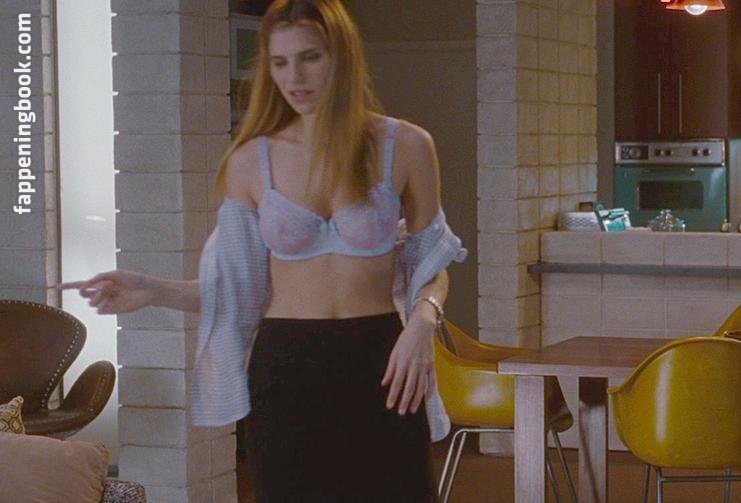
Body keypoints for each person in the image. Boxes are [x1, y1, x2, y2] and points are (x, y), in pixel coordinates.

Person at [60, 1, 466, 501]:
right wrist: (152, 289)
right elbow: (237, 289)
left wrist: (423, 321)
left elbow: (433, 262)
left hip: (382, 358)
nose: (294, 77)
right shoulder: (251, 162)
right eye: (279, 62)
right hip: (287, 365)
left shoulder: (406, 145)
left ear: (342, 57)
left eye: (309, 57)